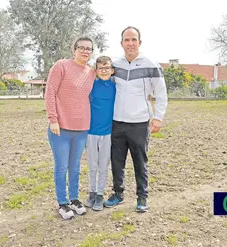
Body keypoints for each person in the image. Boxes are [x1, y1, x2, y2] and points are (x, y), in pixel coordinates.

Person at [104, 26, 168, 212]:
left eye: (134, 39)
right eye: (127, 40)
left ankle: (142, 197)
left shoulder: (151, 65)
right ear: (121, 43)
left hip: (140, 123)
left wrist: (158, 118)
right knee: (117, 161)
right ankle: (118, 193)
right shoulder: (115, 66)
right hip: (117, 122)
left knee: (140, 161)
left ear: (140, 42)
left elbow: (161, 94)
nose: (130, 43)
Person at [45, 37, 96, 220]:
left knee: (75, 167)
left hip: (82, 128)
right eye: (81, 48)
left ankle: (74, 199)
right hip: (61, 127)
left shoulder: (92, 72)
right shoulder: (61, 66)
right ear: (73, 49)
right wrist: (53, 119)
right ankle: (62, 202)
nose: (85, 51)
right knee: (62, 166)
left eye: (89, 49)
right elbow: (50, 92)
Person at [83, 56, 116, 211]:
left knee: (103, 166)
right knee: (92, 166)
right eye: (101, 68)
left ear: (112, 70)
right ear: (95, 71)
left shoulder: (116, 87)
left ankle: (100, 194)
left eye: (107, 68)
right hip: (91, 133)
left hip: (108, 133)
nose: (104, 71)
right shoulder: (91, 86)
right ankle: (92, 191)